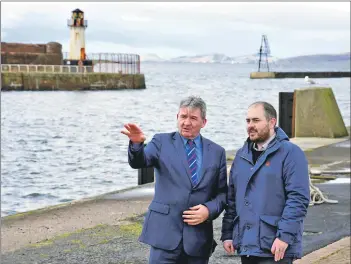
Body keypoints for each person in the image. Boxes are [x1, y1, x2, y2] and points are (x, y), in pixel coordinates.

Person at [121, 95, 228, 264]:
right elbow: (139, 162)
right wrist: (136, 145)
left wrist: (208, 210)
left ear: (204, 122)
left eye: (193, 118)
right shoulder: (161, 142)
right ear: (177, 117)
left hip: (198, 239)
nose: (186, 122)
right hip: (165, 235)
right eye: (183, 116)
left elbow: (222, 193)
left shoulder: (217, 152)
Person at [221, 101, 310, 264]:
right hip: (247, 246)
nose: (250, 125)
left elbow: (298, 199)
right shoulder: (241, 156)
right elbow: (232, 199)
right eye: (248, 121)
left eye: (256, 120)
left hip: (275, 246)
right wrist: (227, 234)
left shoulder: (291, 153)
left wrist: (284, 237)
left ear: (272, 122)